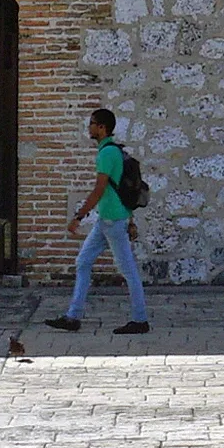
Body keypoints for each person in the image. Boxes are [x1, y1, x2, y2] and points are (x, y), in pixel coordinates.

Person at [45, 109, 150, 334]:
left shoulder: (107, 154)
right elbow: (120, 189)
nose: (89, 127)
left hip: (113, 221)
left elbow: (99, 190)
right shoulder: (113, 151)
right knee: (83, 262)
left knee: (128, 271)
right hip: (107, 220)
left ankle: (140, 320)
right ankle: (73, 317)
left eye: (92, 123)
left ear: (102, 127)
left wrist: (78, 216)